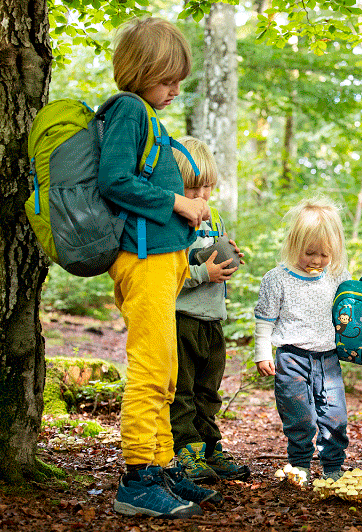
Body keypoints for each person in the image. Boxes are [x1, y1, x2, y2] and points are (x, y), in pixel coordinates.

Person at [99, 16, 221, 519]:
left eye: (179, 81)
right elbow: (114, 180)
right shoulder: (129, 109)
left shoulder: (147, 114)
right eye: (167, 79)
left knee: (167, 370)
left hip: (164, 263)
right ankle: (137, 478)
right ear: (140, 69)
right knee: (150, 370)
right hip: (144, 261)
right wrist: (179, 202)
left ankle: (164, 464)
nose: (175, 90)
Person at [253, 196, 362, 484]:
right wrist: (262, 352)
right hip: (291, 356)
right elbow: (265, 319)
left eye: (324, 254)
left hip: (328, 358)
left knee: (335, 415)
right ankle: (300, 465)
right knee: (299, 416)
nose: (317, 261)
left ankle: (332, 467)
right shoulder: (277, 279)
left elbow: (358, 310)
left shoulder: (336, 277)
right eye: (310, 253)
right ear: (294, 244)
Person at [168, 136, 251, 483]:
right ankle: (186, 450)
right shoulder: (171, 219)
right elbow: (168, 273)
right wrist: (204, 272)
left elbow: (217, 250)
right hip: (182, 317)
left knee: (208, 388)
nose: (201, 196)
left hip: (212, 319)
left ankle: (209, 446)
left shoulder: (213, 216)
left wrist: (230, 254)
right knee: (183, 388)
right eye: (192, 188)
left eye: (208, 187)